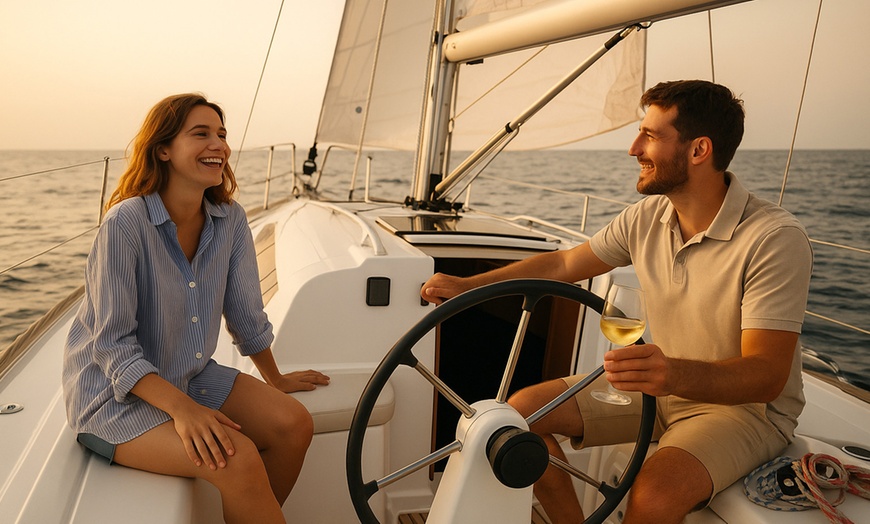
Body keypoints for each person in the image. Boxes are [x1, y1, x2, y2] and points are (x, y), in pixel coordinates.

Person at [421, 80, 813, 524]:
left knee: (654, 494)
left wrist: (671, 372)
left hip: (740, 411)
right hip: (655, 388)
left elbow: (766, 377)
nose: (633, 148)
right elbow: (563, 264)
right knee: (516, 418)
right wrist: (469, 284)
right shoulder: (648, 215)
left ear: (699, 149)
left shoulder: (774, 239)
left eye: (651, 135)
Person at [63, 93, 330, 524]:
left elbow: (244, 313)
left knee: (294, 425)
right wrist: (184, 411)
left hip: (189, 374)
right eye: (201, 134)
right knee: (236, 458)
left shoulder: (230, 219)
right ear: (164, 149)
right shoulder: (125, 224)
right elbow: (112, 346)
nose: (219, 145)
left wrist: (275, 378)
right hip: (114, 398)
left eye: (222, 135)